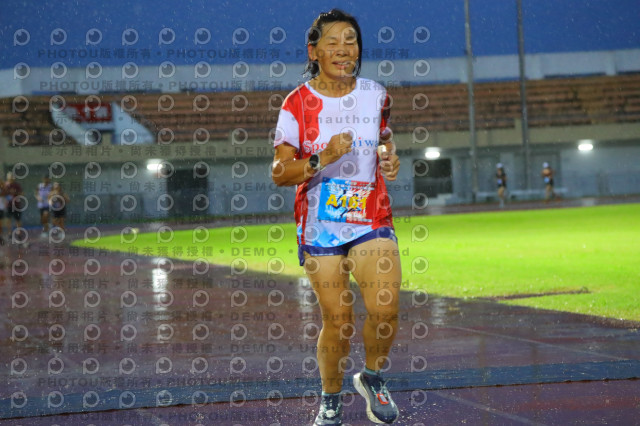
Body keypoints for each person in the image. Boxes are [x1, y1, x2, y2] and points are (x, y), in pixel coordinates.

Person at [271, 9, 401, 425]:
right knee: (339, 321)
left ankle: (372, 377)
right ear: (314, 51)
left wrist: (389, 157)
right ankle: (330, 399)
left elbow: (384, 138)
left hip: (371, 215)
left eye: (351, 40)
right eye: (333, 42)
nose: (344, 49)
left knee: (385, 309)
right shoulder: (296, 104)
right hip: (320, 225)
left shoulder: (376, 94)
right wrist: (321, 158)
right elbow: (280, 172)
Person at [0, 178, 6, 245]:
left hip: (1, 208)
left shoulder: (3, 189)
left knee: (0, 224)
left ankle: (1, 237)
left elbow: (4, 194)